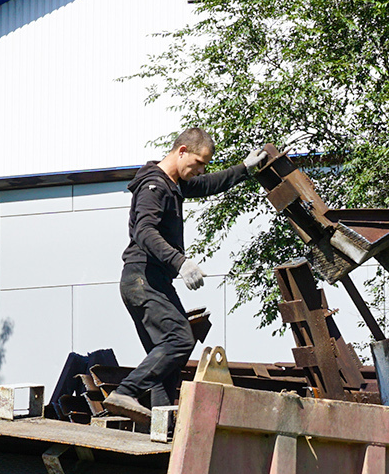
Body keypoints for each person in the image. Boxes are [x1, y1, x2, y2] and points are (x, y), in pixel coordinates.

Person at [104, 129, 269, 420]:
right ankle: (125, 392)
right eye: (198, 162)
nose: (201, 169)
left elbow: (207, 185)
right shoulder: (154, 187)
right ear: (181, 151)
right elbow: (144, 231)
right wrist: (180, 262)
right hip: (143, 280)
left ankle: (162, 428)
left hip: (149, 281)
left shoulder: (174, 184)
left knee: (165, 363)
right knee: (180, 340)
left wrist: (244, 169)